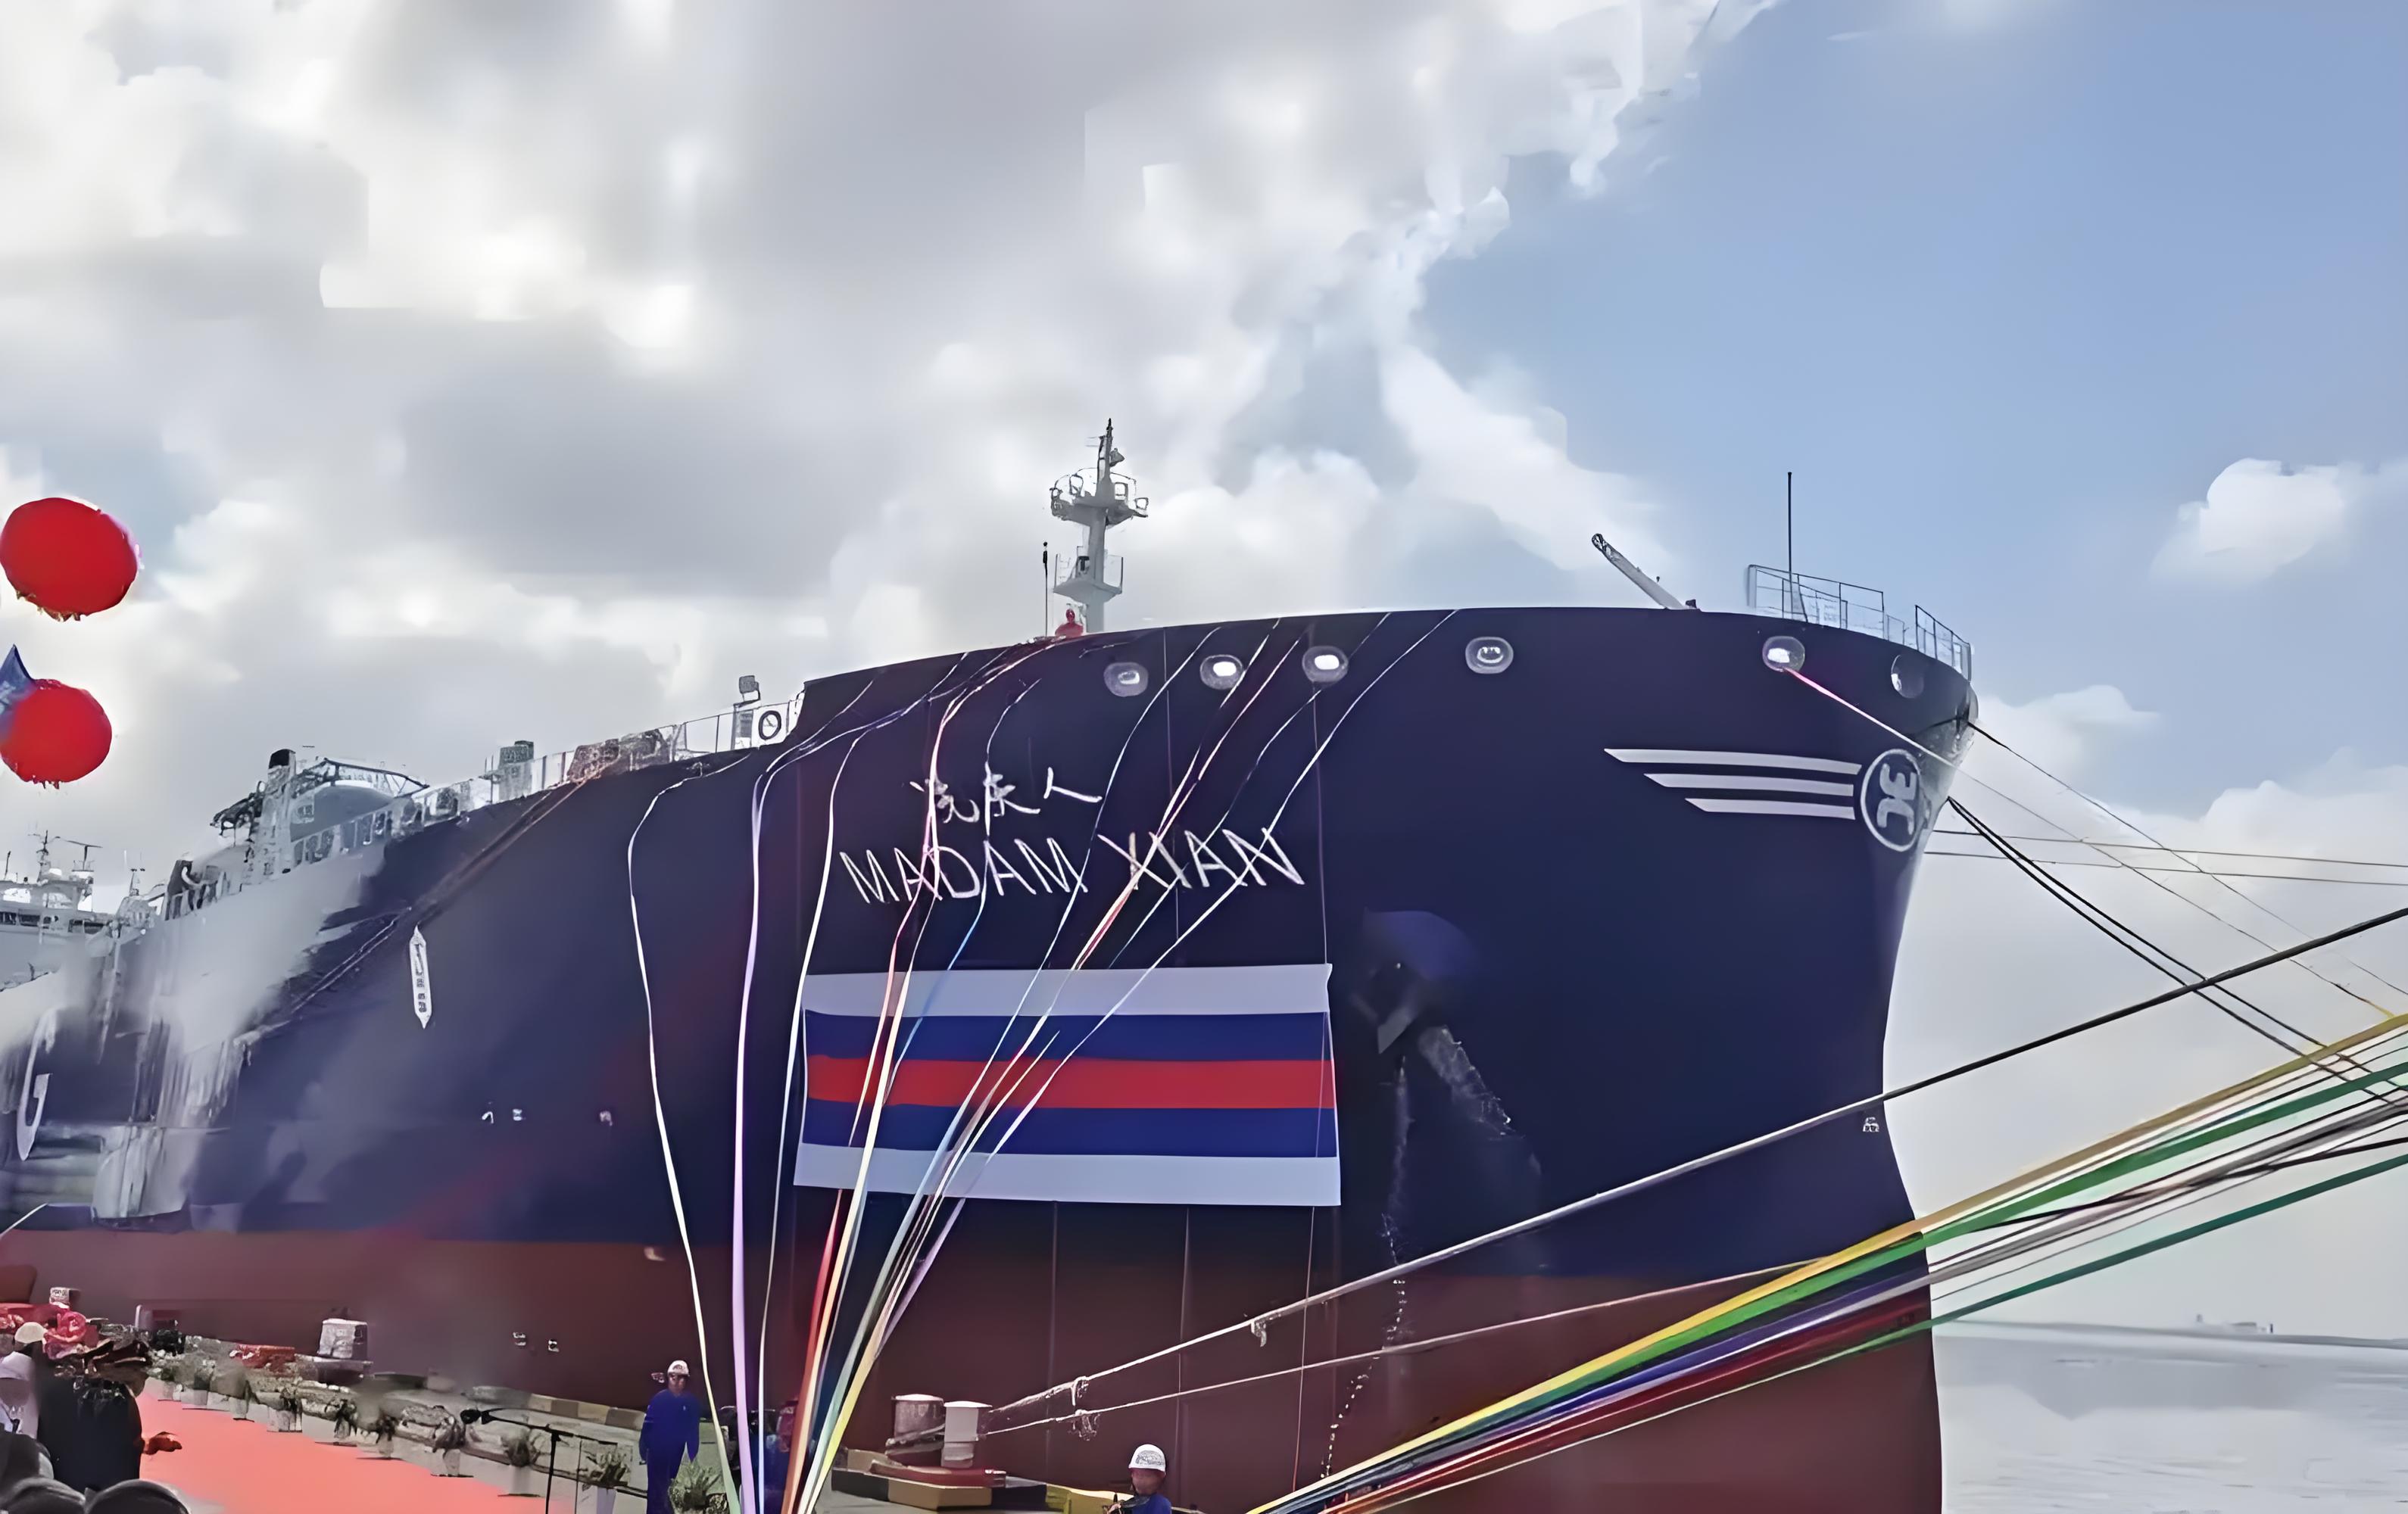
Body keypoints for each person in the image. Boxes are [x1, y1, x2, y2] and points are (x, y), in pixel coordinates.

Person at [639, 1360, 701, 1514]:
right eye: (673, 1377)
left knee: (672, 1493)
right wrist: (644, 1448)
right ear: (668, 1378)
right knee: (655, 1493)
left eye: (681, 1378)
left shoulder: (691, 1403)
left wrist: (692, 1455)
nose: (677, 1381)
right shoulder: (659, 1399)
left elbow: (693, 1431)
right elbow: (647, 1427)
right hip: (657, 1453)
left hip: (677, 1455)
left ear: (686, 1381)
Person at [1118, 1444, 1171, 1514]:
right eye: (1138, 1474)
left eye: (1148, 1475)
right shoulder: (1131, 1503)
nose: (1142, 1481)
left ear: (1160, 1477)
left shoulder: (1161, 1504)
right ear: (1132, 1475)